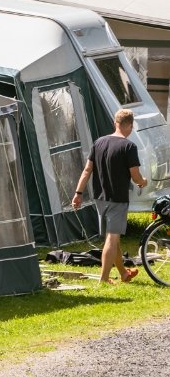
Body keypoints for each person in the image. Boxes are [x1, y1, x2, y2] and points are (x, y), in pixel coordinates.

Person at [71, 107, 148, 284]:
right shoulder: (129, 146)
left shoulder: (99, 142)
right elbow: (135, 175)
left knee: (112, 237)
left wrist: (78, 193)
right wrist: (142, 181)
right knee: (112, 239)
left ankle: (123, 273)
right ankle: (104, 279)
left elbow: (87, 170)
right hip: (117, 199)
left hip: (100, 197)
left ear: (115, 123)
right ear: (129, 125)